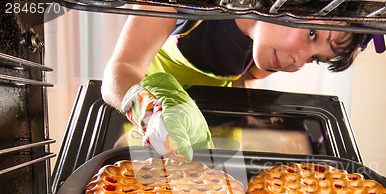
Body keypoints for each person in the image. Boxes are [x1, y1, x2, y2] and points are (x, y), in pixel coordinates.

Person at [101, 5, 370, 161]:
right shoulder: (187, 6)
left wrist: (249, 116)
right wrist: (151, 117)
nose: (298, 62)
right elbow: (120, 69)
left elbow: (248, 78)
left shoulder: (273, 53)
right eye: (311, 34)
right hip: (144, 111)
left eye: (314, 59)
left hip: (210, 121)